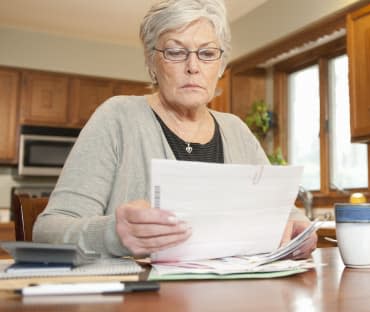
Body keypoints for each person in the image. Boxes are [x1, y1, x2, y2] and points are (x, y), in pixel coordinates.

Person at [33, 0, 317, 259]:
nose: (193, 66)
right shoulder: (117, 117)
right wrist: (113, 234)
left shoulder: (237, 131)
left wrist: (299, 232)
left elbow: (285, 215)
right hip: (140, 306)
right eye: (175, 52)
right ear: (152, 62)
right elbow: (48, 231)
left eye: (207, 53)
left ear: (220, 65)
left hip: (230, 303)